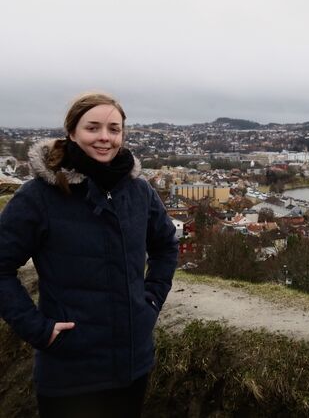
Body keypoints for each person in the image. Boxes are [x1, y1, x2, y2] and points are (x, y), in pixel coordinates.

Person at [0, 92, 178, 417]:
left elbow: (166, 245)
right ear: (72, 132)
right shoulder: (40, 196)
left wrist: (150, 300)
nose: (104, 138)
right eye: (92, 128)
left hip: (132, 364)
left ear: (123, 135)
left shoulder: (138, 191)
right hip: (70, 370)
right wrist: (38, 329)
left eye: (113, 129)